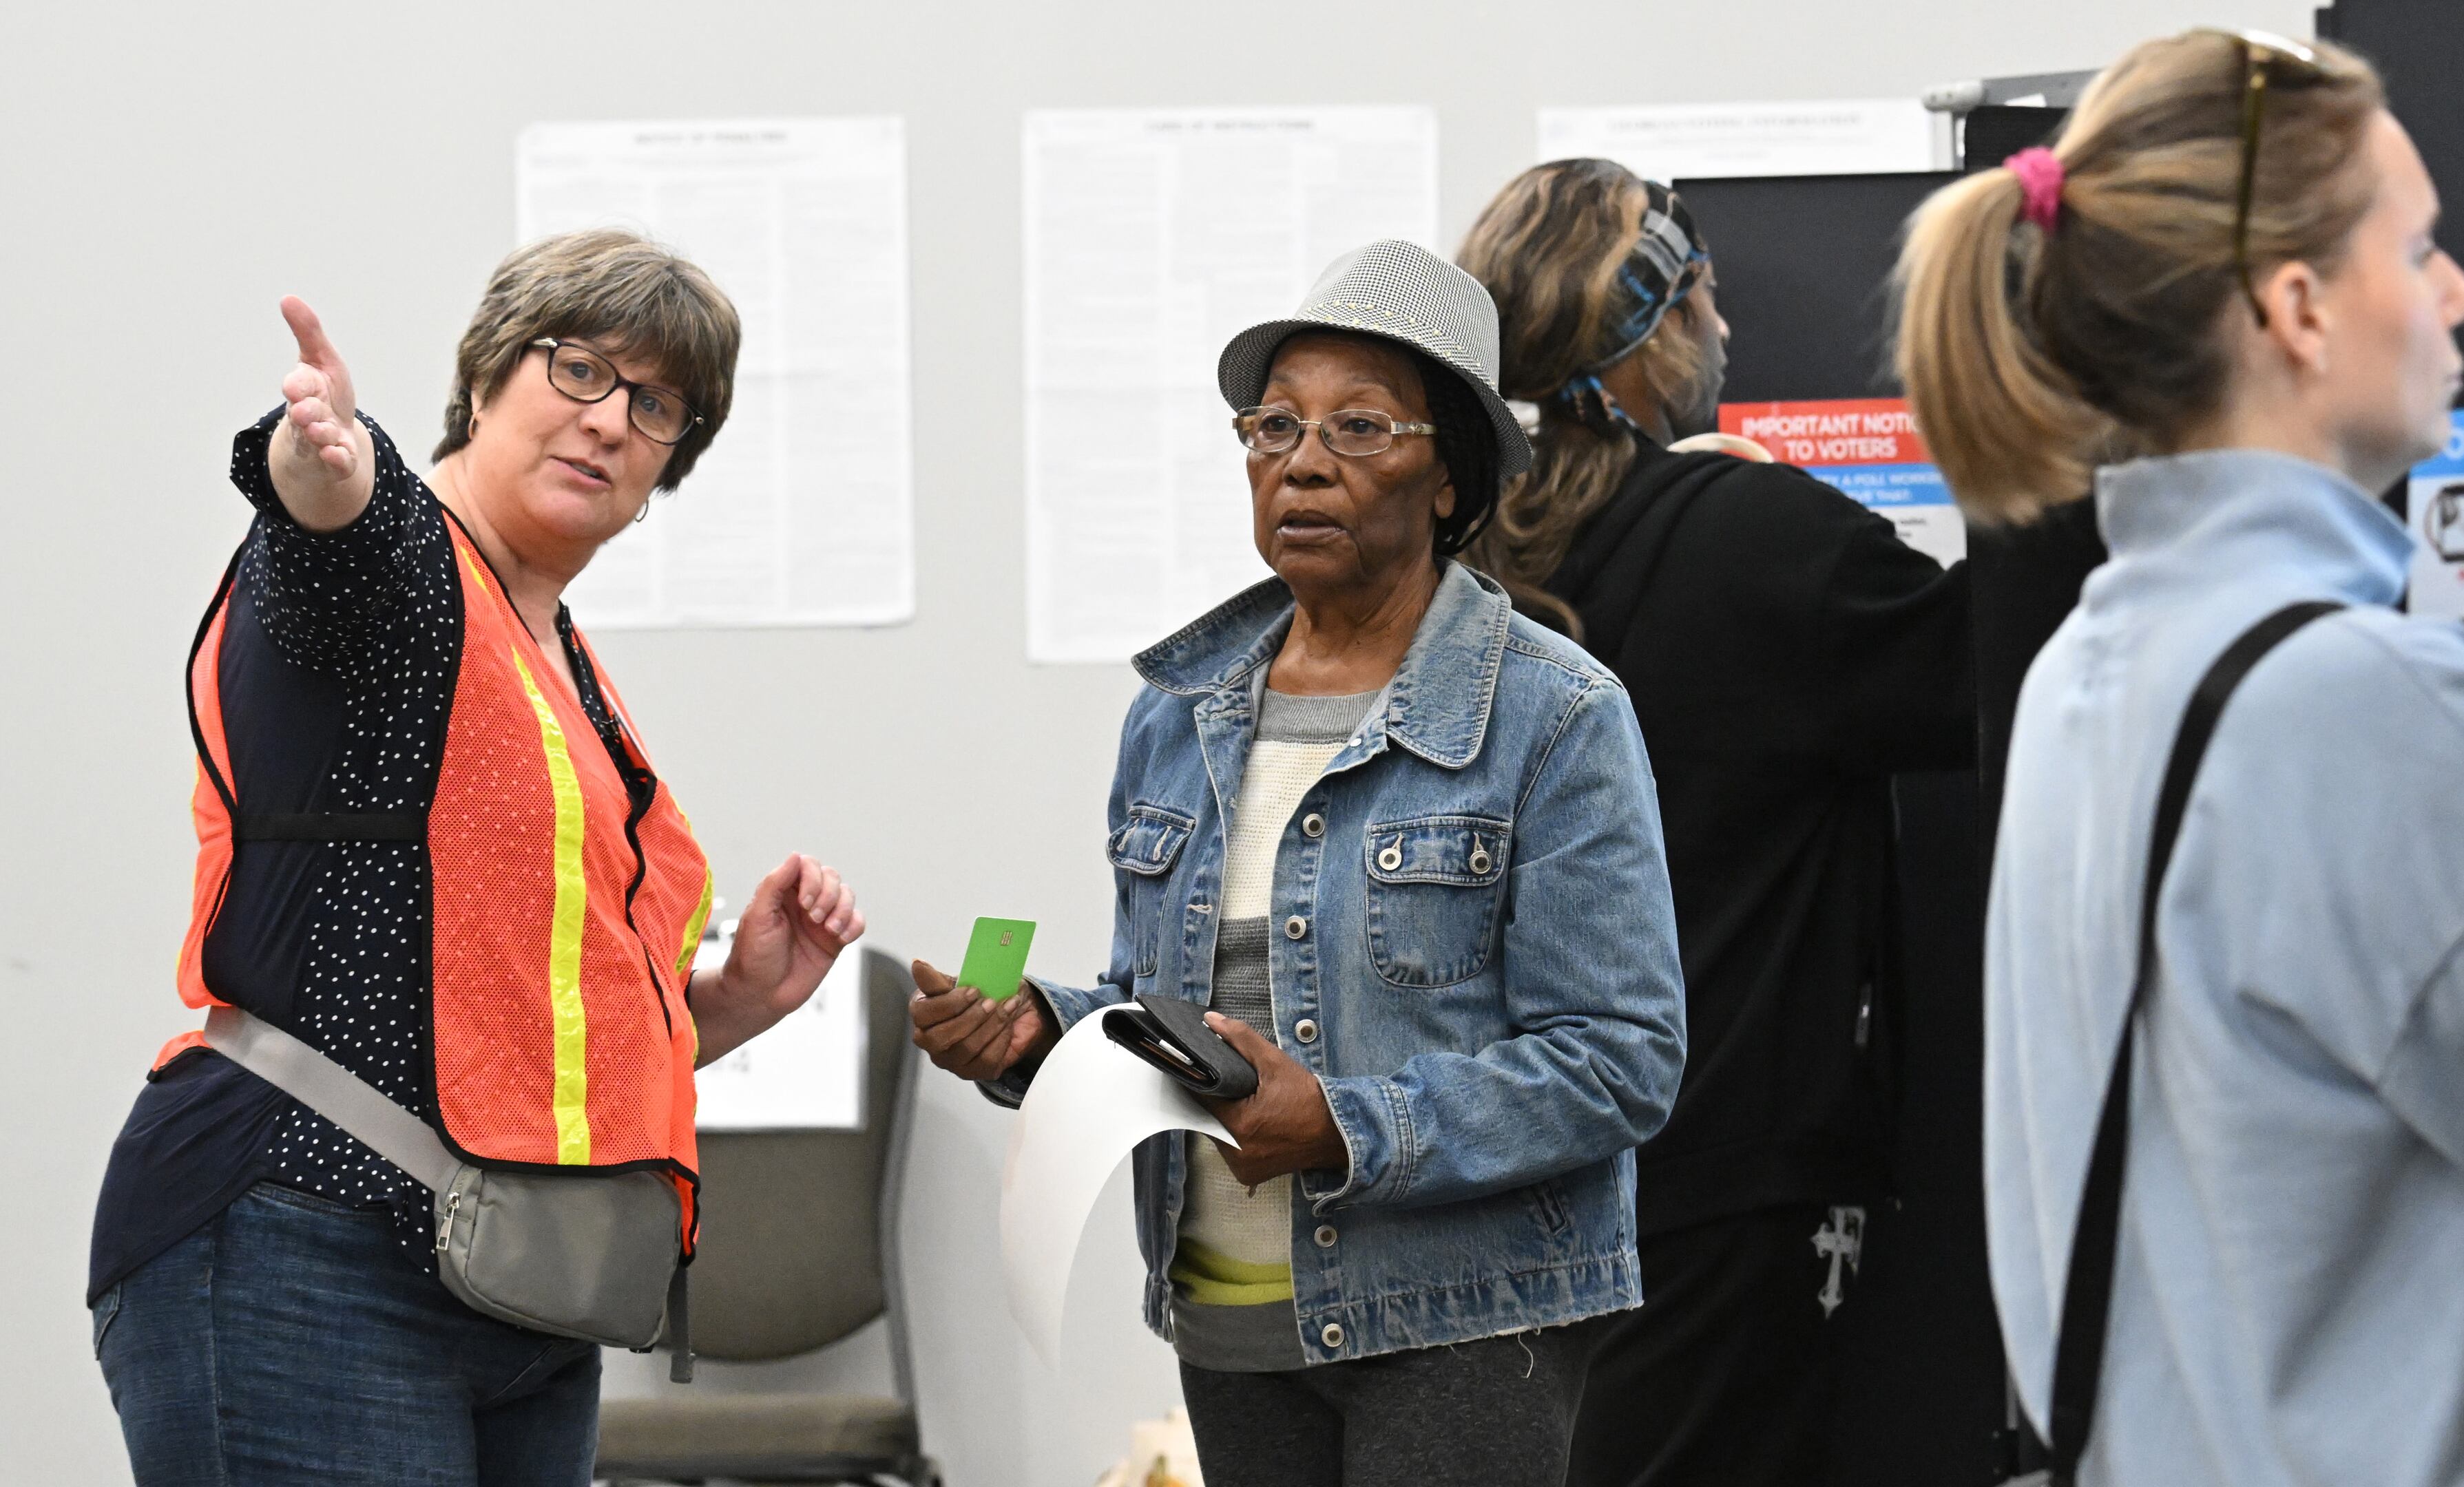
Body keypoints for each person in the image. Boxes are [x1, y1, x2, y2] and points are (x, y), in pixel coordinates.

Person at [90, 228, 870, 1485]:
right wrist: (319, 467)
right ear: (488, 376)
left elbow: (515, 1020)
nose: (610, 421)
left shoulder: (572, 676)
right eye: (576, 370)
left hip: (525, 1289)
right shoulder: (402, 568)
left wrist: (725, 1006)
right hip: (304, 1243)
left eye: (655, 404)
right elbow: (333, 539)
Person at [908, 240, 1686, 1487]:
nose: (1305, 461)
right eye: (1274, 426)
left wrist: (1343, 1125)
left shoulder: (1554, 715)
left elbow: (1619, 1060)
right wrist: (1040, 1034)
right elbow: (1176, 1011)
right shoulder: (1181, 711)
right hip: (1227, 1313)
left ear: (1449, 479)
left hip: (1465, 1320)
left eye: (1362, 427)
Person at [1892, 30, 2464, 1486]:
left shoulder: (2087, 671)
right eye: (2416, 250)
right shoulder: (2361, 702)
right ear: (2297, 307)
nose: (2459, 291)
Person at [1454, 160, 1975, 1484]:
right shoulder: (1759, 544)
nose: (1732, 333)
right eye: (1709, 296)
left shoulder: (1453, 566)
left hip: (1493, 1187)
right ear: (1657, 331)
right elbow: (2002, 674)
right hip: (1727, 1192)